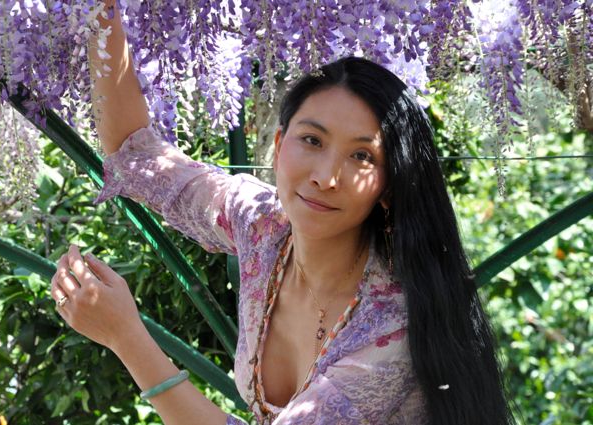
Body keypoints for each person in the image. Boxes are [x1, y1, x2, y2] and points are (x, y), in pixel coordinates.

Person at [50, 3, 514, 425]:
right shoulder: (264, 225)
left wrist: (127, 336)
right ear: (277, 146)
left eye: (362, 157)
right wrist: (101, 14)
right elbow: (138, 157)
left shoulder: (393, 328)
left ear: (389, 187)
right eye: (312, 141)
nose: (326, 177)